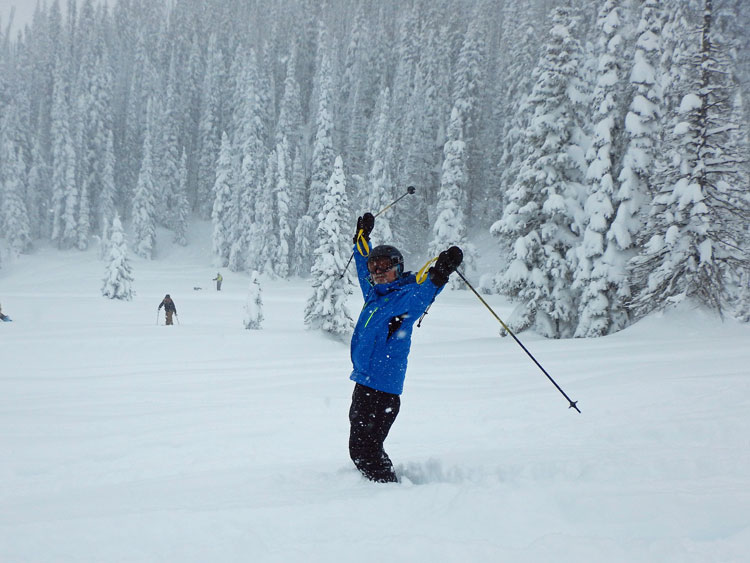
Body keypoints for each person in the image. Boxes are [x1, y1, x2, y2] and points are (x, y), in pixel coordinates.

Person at [348, 212, 463, 483]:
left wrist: (440, 273)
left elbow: (424, 293)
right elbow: (362, 266)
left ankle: (387, 492)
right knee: (358, 447)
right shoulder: (375, 294)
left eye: (385, 266)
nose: (378, 271)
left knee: (366, 451)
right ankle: (371, 486)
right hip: (364, 383)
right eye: (375, 266)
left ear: (398, 268)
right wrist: (361, 238)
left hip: (382, 391)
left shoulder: (404, 300)